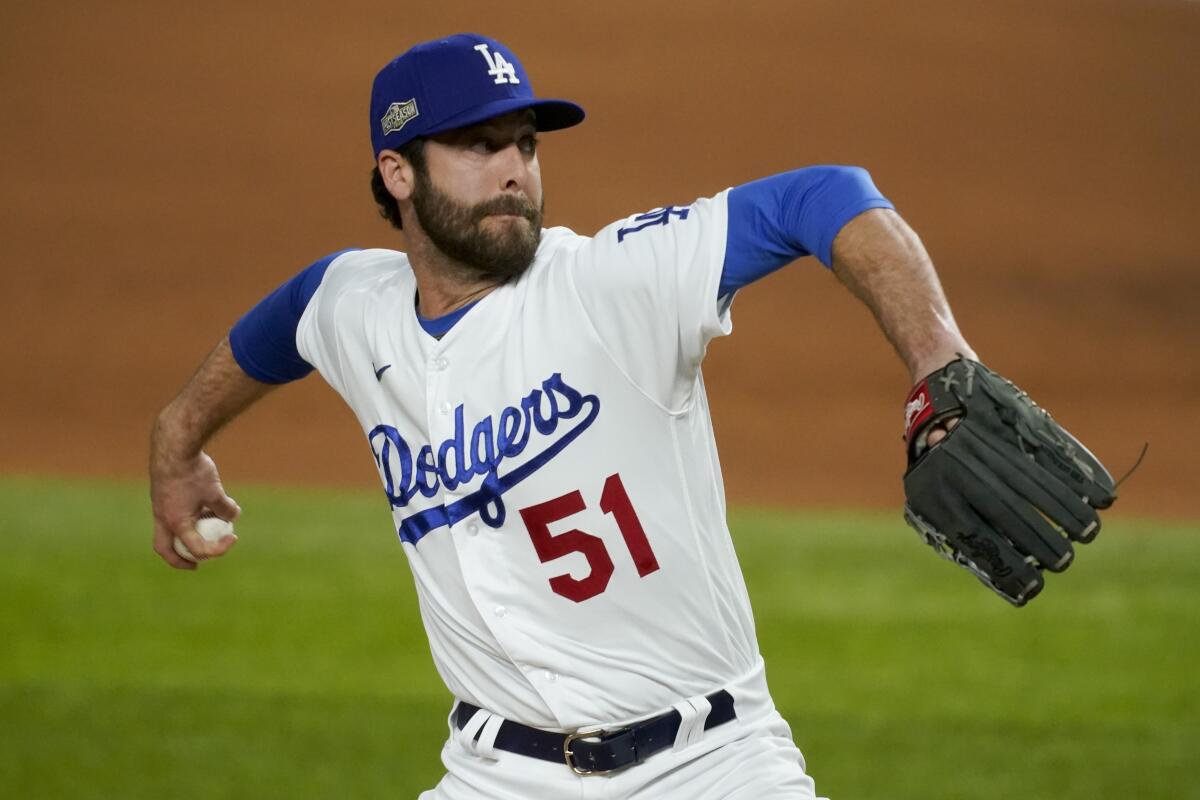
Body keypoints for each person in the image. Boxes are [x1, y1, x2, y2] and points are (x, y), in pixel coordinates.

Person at [150, 33, 978, 799]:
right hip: (494, 773)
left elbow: (824, 196)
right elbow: (290, 317)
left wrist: (938, 358)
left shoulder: (608, 284)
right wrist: (178, 437)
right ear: (399, 172)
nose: (515, 169)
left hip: (712, 765)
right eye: (480, 146)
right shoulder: (357, 306)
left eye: (526, 143)